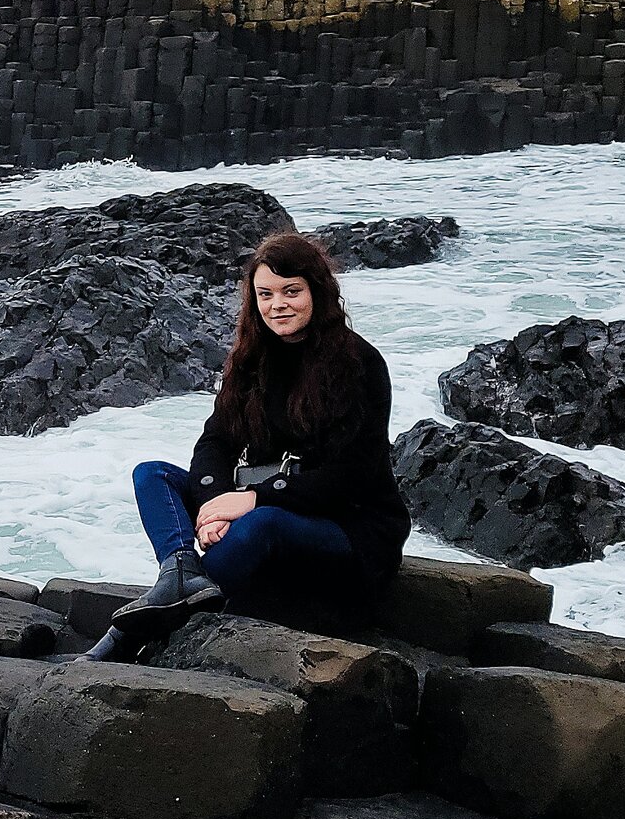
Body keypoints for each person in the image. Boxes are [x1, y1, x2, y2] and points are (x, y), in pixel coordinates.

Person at [91, 229, 408, 657]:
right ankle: (183, 574)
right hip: (267, 503)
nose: (277, 305)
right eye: (265, 294)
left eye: (291, 291)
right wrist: (213, 502)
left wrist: (253, 500)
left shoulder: (357, 363)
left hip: (350, 527)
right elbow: (215, 440)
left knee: (262, 524)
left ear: (318, 291)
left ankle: (132, 632)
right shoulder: (251, 357)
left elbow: (354, 476)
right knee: (152, 474)